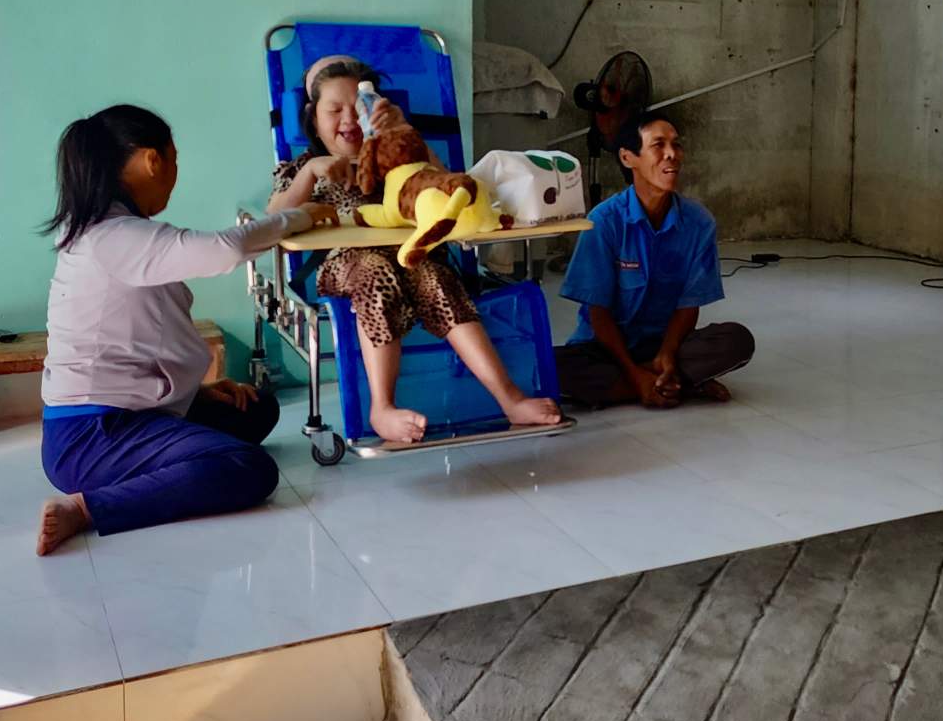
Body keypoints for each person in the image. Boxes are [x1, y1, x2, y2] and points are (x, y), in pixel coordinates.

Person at [37, 105, 340, 555]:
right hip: (92, 437)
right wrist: (302, 217)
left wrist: (195, 393)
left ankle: (174, 453)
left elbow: (135, 339)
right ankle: (88, 508)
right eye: (173, 159)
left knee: (257, 410)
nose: (175, 172)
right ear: (151, 160)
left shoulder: (115, 232)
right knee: (249, 467)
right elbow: (227, 249)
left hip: (128, 412)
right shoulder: (113, 237)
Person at [268, 56, 560, 441]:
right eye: (334, 110)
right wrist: (310, 173)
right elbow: (272, 219)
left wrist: (405, 132)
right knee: (375, 271)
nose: (348, 120)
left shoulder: (400, 161)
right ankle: (381, 407)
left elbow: (445, 185)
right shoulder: (304, 166)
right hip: (349, 266)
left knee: (438, 278)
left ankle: (510, 400)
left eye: (357, 109)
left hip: (415, 257)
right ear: (312, 117)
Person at [556, 111, 754, 408]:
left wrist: (667, 353)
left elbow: (689, 306)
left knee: (737, 341)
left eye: (676, 145)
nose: (671, 155)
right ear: (627, 158)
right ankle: (673, 384)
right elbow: (598, 314)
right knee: (549, 366)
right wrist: (635, 373)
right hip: (606, 348)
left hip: (667, 345)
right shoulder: (605, 221)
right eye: (658, 145)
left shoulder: (699, 222)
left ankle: (651, 380)